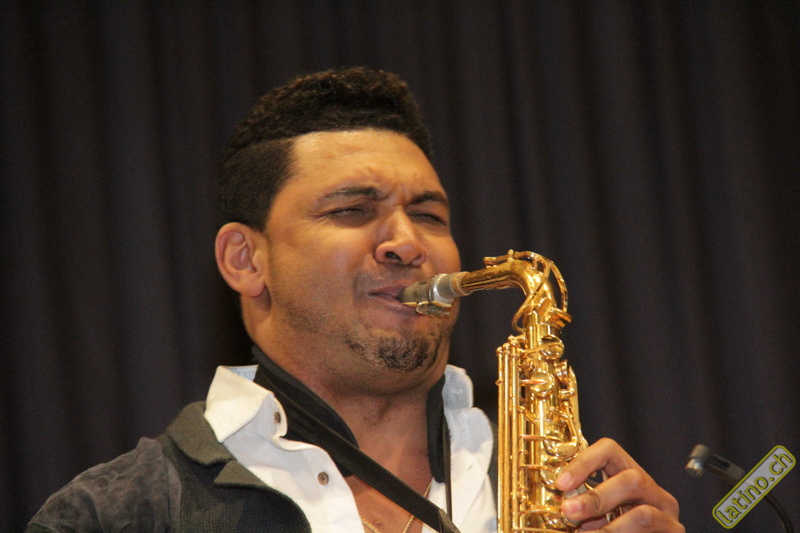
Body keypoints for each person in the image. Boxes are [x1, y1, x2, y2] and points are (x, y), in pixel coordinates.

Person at [28, 67, 682, 532]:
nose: (407, 243)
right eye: (351, 210)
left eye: (428, 215)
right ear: (246, 260)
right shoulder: (113, 516)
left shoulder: (568, 493)